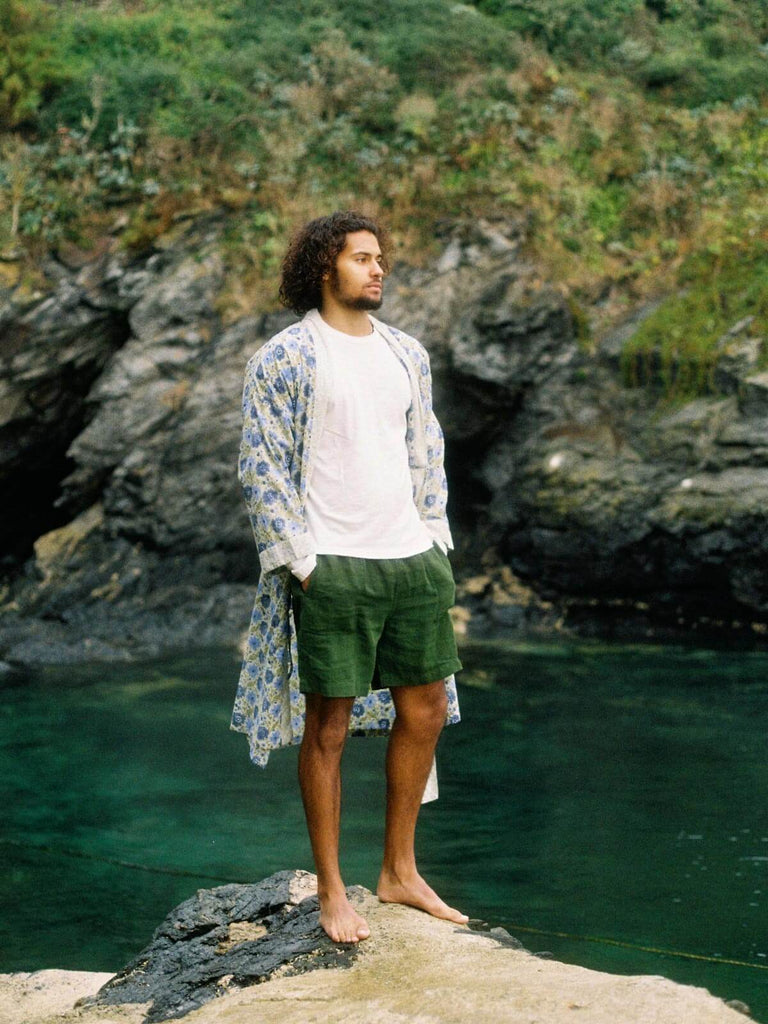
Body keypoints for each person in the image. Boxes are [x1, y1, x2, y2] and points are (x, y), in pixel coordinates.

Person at [231, 210, 466, 943]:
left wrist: (434, 537)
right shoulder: (285, 358)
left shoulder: (407, 354)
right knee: (327, 726)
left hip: (411, 559)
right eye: (362, 258)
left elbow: (425, 445)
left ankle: (399, 871)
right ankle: (333, 890)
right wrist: (303, 563)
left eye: (380, 258)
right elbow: (260, 465)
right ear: (324, 268)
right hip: (331, 564)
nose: (378, 268)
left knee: (424, 709)